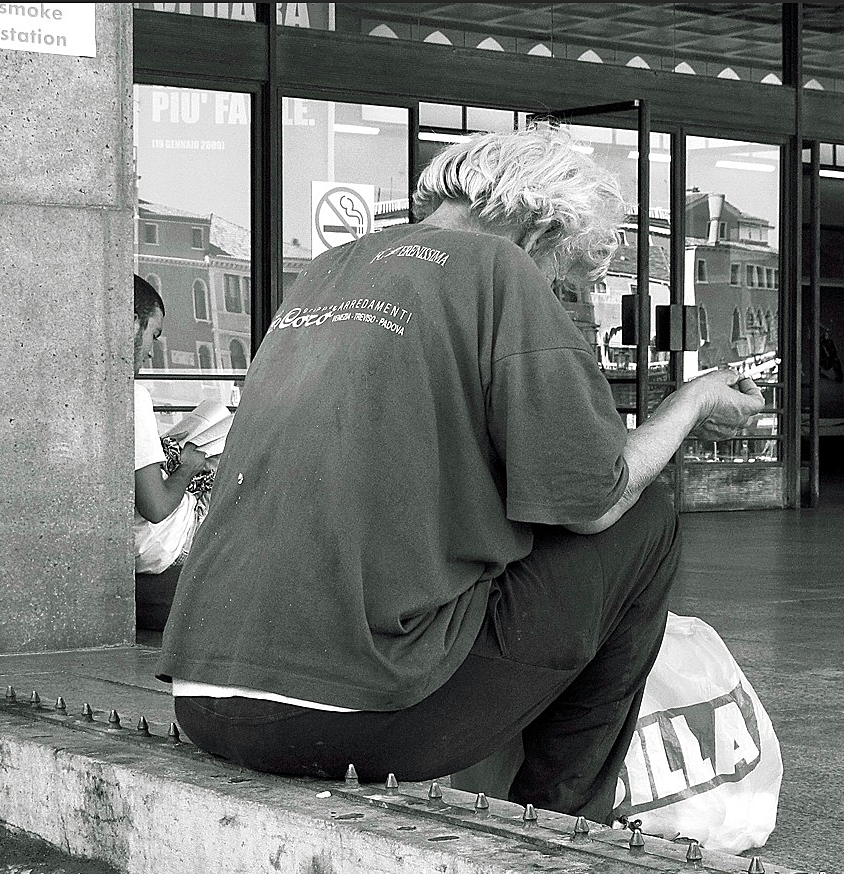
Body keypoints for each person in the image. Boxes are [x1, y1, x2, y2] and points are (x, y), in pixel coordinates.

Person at [153, 125, 765, 824]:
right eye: (563, 279)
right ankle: (564, 819)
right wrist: (687, 404)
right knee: (644, 520)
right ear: (541, 228)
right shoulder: (497, 269)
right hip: (354, 719)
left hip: (205, 699)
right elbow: (594, 497)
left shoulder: (328, 269)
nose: (559, 297)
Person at [132, 274, 214, 629]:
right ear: (132, 323)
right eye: (154, 334)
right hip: (173, 540)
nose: (152, 350)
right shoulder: (132, 397)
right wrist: (188, 468)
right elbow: (156, 506)